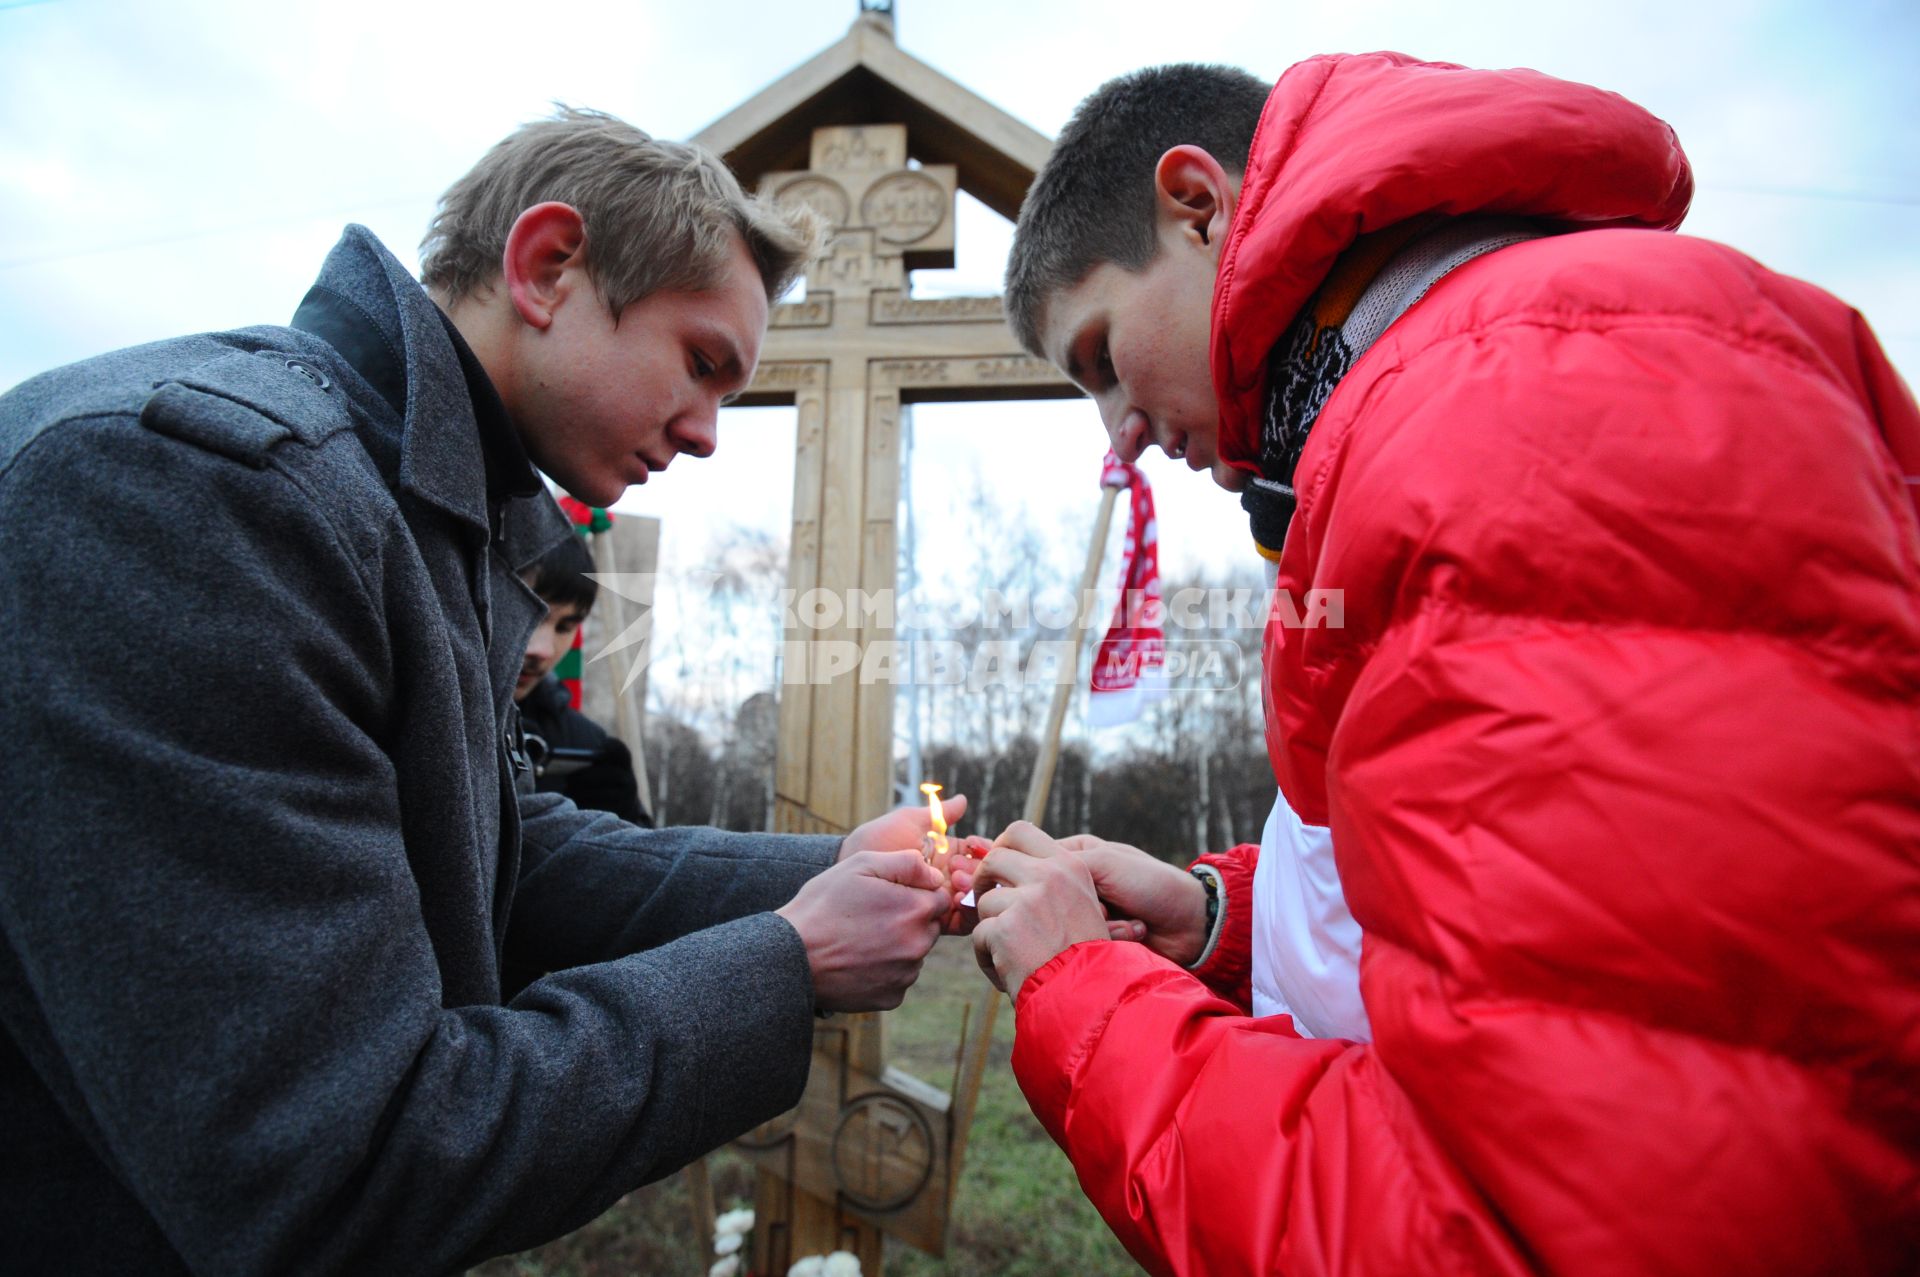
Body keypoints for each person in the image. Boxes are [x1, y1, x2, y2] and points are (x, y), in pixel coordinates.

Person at [969, 55, 1920, 1275]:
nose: (1125, 435)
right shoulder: (1472, 381)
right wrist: (1226, 920)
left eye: (1102, 356)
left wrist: (1083, 989)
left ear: (1197, 204)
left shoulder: (1515, 407)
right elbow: (1584, 934)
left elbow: (1517, 1214)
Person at [0, 107, 970, 1274]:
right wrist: (789, 958)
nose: (713, 433)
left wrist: (828, 873)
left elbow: (493, 851)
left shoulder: (409, 510)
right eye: (701, 361)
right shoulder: (204, 492)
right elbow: (339, 1167)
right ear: (548, 266)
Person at [514, 533, 651, 828]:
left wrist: (622, 824)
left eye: (565, 626)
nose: (542, 650)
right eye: (530, 616)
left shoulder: (587, 745)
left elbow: (647, 864)